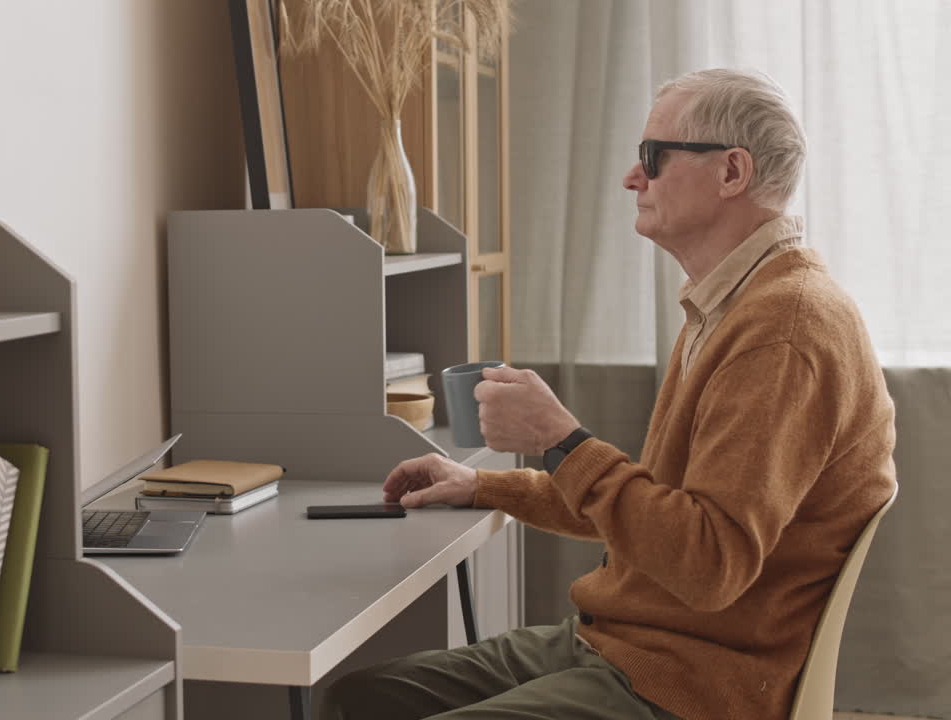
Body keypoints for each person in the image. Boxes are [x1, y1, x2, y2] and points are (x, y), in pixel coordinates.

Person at [320, 68, 897, 720]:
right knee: (355, 699)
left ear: (732, 172)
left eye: (653, 157)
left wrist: (559, 440)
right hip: (625, 644)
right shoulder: (731, 305)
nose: (632, 178)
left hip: (690, 680)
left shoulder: (782, 332)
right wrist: (481, 486)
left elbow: (707, 563)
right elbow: (652, 509)